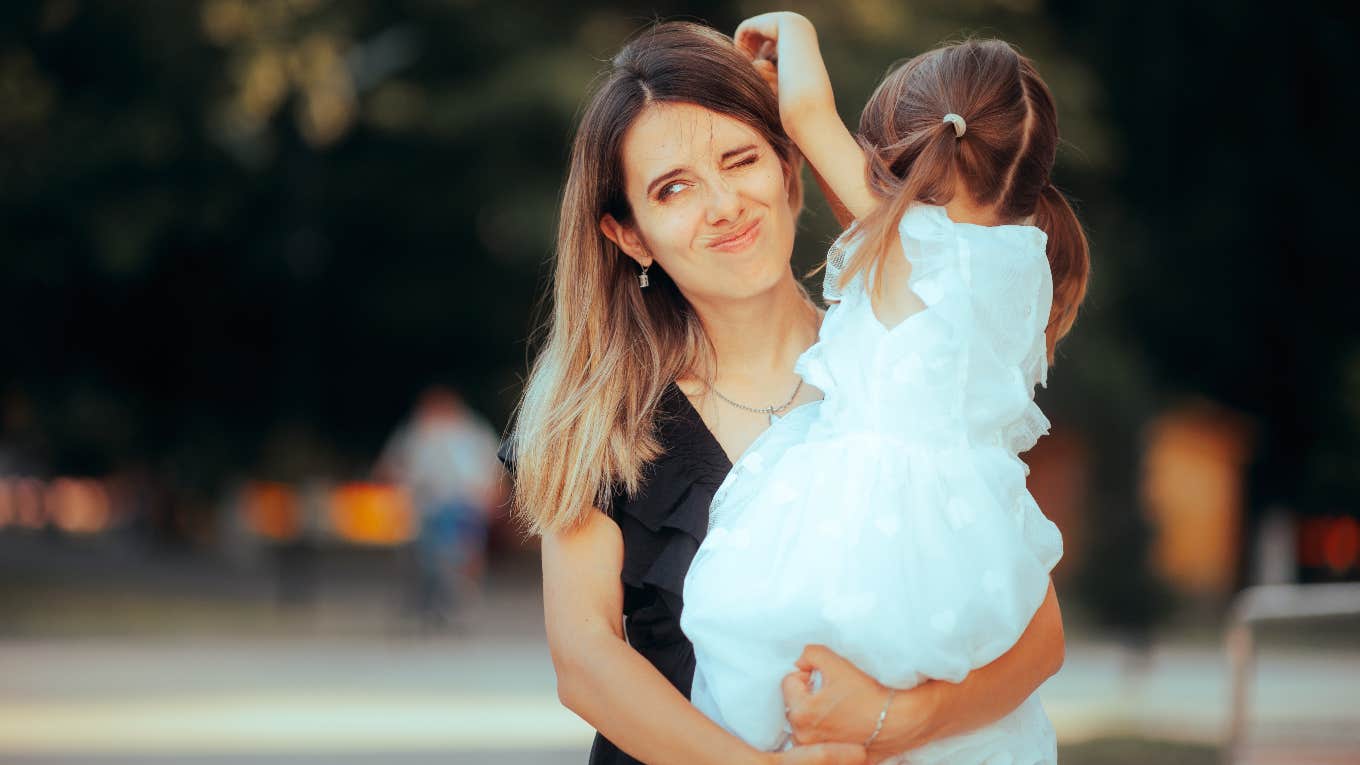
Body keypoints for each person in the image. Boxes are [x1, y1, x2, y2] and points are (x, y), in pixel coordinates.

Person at [501, 20, 1067, 765]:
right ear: (631, 235)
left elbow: (1039, 632)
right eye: (674, 189)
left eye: (741, 160)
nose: (724, 204)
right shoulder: (595, 414)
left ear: (790, 167)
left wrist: (900, 719)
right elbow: (586, 662)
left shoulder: (902, 362)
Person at [681, 13, 1091, 764]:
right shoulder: (1026, 265)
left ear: (899, 161)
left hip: (866, 526)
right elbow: (884, 241)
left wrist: (794, 30)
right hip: (964, 535)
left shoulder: (912, 244)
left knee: (774, 676)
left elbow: (809, 113)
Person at [377, 385, 502, 628]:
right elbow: (391, 468)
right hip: (426, 507)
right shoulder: (416, 434)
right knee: (427, 550)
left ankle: (456, 601)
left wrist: (488, 502)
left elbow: (491, 475)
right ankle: (437, 602)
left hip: (463, 507)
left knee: (457, 552)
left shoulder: (472, 434)